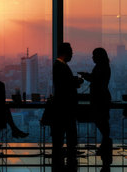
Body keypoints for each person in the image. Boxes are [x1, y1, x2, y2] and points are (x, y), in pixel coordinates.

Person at [79, 47, 112, 171]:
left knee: (102, 124)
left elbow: (95, 79)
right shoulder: (103, 66)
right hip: (102, 99)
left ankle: (105, 148)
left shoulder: (101, 67)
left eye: (94, 55)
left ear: (98, 56)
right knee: (103, 124)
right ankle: (105, 149)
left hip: (100, 100)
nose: (92, 58)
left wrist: (85, 76)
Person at [51, 42, 83, 172]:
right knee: (68, 131)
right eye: (70, 52)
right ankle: (69, 156)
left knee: (62, 133)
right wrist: (77, 82)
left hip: (62, 106)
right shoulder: (61, 66)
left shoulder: (60, 65)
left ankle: (61, 158)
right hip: (65, 106)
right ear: (66, 53)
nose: (72, 55)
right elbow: (66, 84)